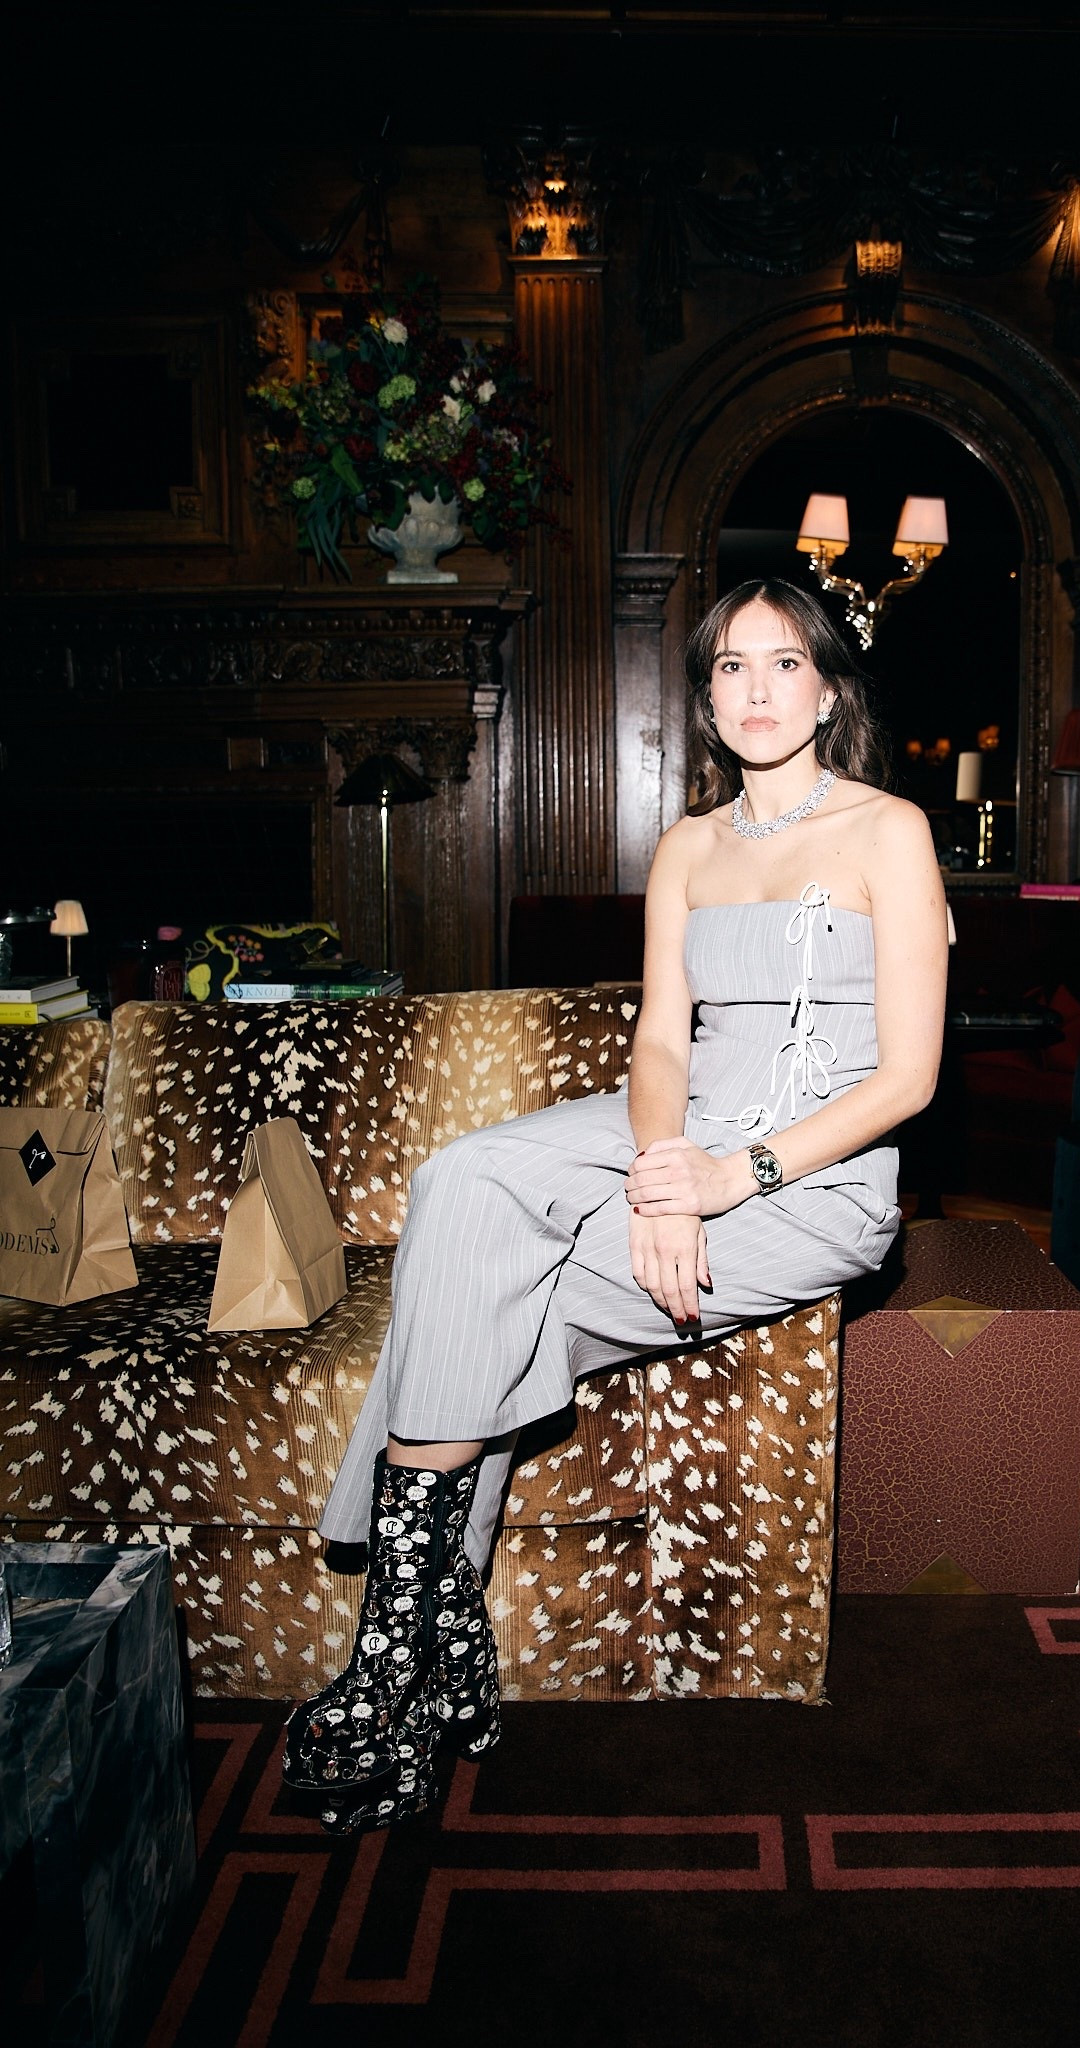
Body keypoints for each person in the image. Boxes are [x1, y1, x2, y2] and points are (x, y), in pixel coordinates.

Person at [282, 576, 948, 1832]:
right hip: (683, 1126)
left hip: (813, 1169)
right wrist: (661, 1174)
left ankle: (403, 1664)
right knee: (462, 1185)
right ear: (707, 697)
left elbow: (910, 1078)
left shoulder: (888, 830)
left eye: (784, 663)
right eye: (731, 666)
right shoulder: (688, 845)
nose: (757, 689)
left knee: (497, 1295)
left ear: (828, 690)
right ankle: (429, 1644)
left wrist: (731, 1178)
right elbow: (659, 1041)